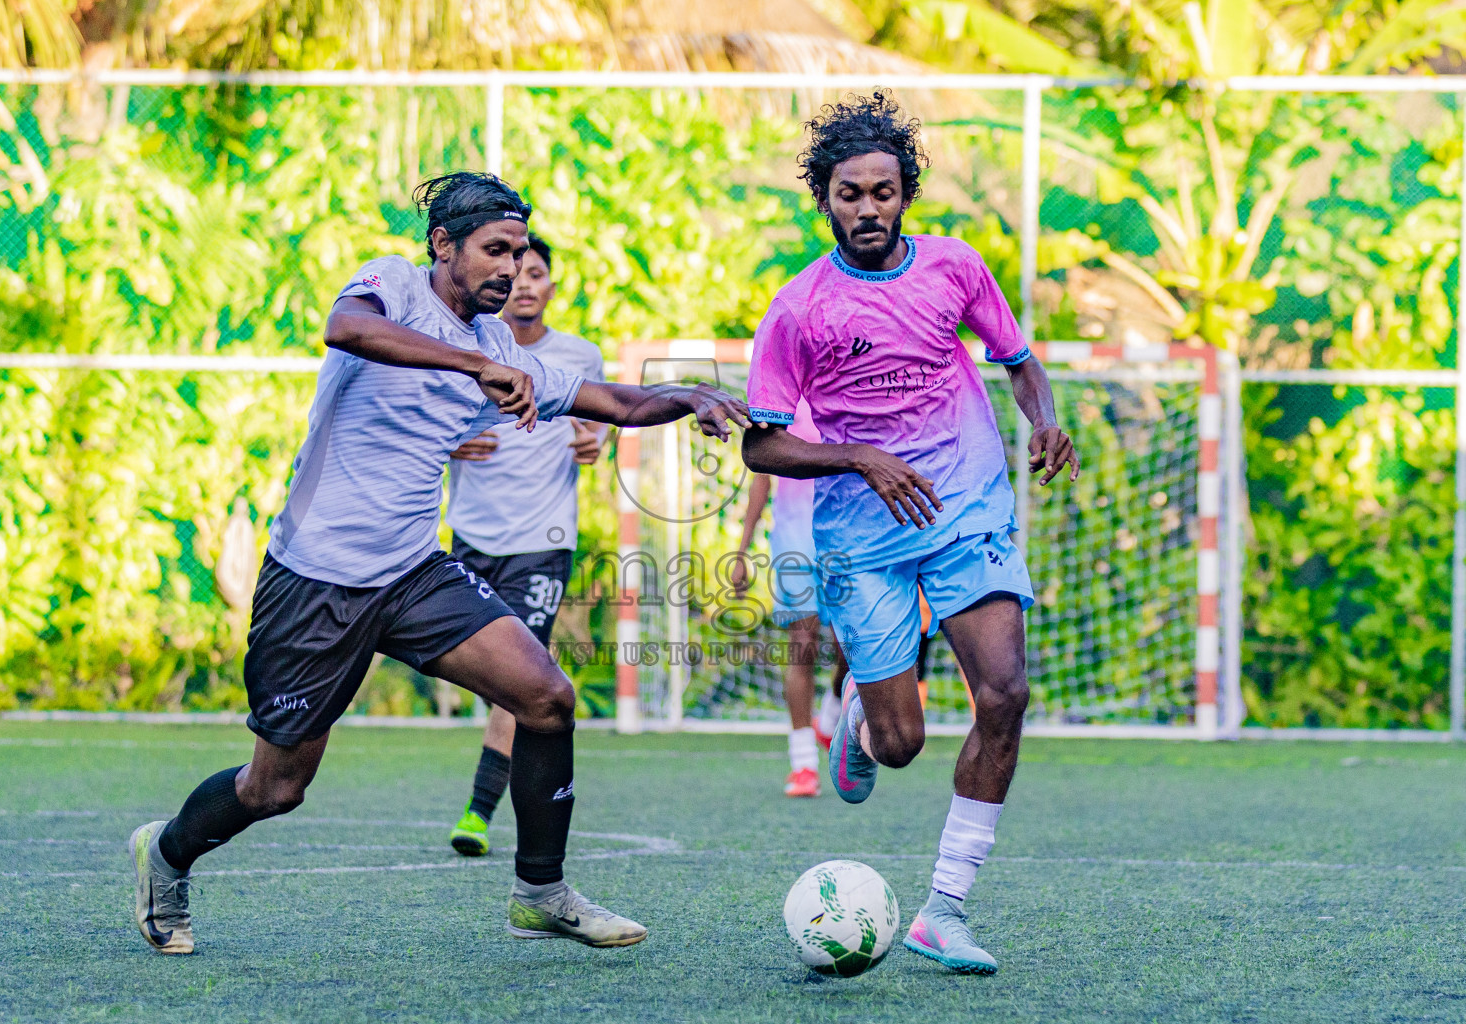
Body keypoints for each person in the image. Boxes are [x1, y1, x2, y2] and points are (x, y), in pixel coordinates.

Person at [128, 171, 750, 956]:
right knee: (276, 787)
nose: (512, 269)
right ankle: (168, 854)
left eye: (522, 253)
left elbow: (613, 401)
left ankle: (541, 892)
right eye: (495, 250)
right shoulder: (393, 285)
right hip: (317, 576)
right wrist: (468, 366)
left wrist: (689, 396)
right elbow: (343, 328)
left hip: (412, 573)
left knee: (546, 696)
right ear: (443, 246)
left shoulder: (499, 344)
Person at [740, 93, 1080, 975]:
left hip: (968, 507)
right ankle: (862, 718)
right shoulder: (798, 309)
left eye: (883, 192)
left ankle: (944, 910)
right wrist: (860, 456)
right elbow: (764, 441)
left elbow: (1019, 362)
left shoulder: (956, 268)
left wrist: (1043, 419)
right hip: (860, 535)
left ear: (906, 195)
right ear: (825, 199)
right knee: (901, 747)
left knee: (1004, 693)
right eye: (849, 193)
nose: (867, 209)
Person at [443, 233, 607, 856]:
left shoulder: (579, 356)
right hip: (472, 535)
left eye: (538, 271)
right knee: (493, 682)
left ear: (551, 286)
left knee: (523, 678)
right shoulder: (464, 350)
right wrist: (452, 445)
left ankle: (478, 814)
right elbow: (426, 428)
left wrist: (598, 445)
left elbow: (595, 428)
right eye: (518, 272)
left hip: (544, 540)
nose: (527, 282)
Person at [730, 398, 847, 798]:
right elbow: (760, 478)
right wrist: (741, 552)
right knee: (802, 645)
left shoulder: (848, 392)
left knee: (852, 645)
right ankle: (803, 763)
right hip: (795, 544)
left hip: (847, 539)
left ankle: (830, 718)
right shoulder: (779, 403)